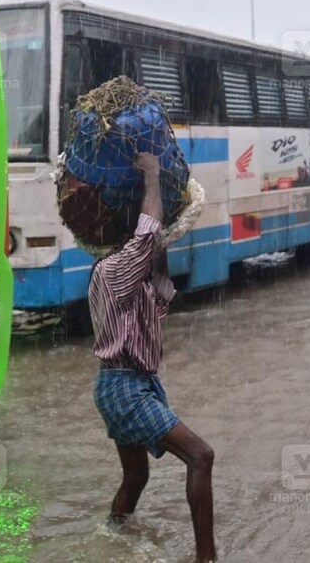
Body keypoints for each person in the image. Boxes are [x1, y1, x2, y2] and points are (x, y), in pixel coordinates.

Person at [90, 153, 217, 563]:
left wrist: (162, 238)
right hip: (124, 387)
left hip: (133, 384)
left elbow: (162, 290)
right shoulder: (112, 270)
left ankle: (110, 536)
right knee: (201, 456)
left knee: (137, 475)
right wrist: (152, 178)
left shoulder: (135, 277)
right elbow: (146, 235)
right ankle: (206, 557)